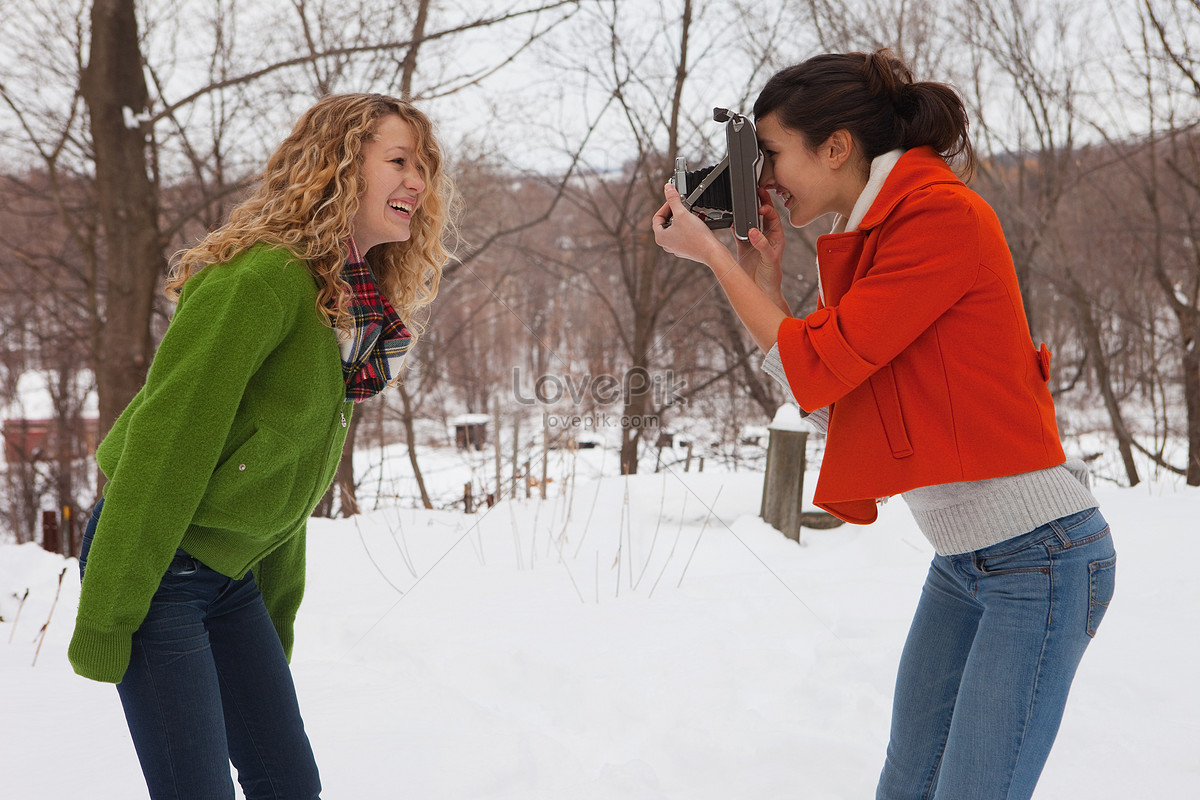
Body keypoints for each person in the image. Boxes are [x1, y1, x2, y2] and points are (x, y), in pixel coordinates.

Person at [652, 50, 1116, 800]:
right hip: (966, 564)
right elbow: (840, 404)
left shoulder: (938, 217)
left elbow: (819, 366)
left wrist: (717, 260)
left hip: (1040, 560)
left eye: (770, 154)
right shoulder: (883, 231)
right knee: (907, 786)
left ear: (835, 146)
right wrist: (761, 280)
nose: (763, 178)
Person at [69, 93, 453, 799]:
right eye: (399, 161)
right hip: (159, 569)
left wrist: (273, 622)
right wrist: (110, 610)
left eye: (424, 166)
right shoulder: (260, 279)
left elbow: (283, 473)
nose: (418, 182)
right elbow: (165, 443)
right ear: (339, 166)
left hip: (230, 578)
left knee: (287, 783)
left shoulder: (344, 301)